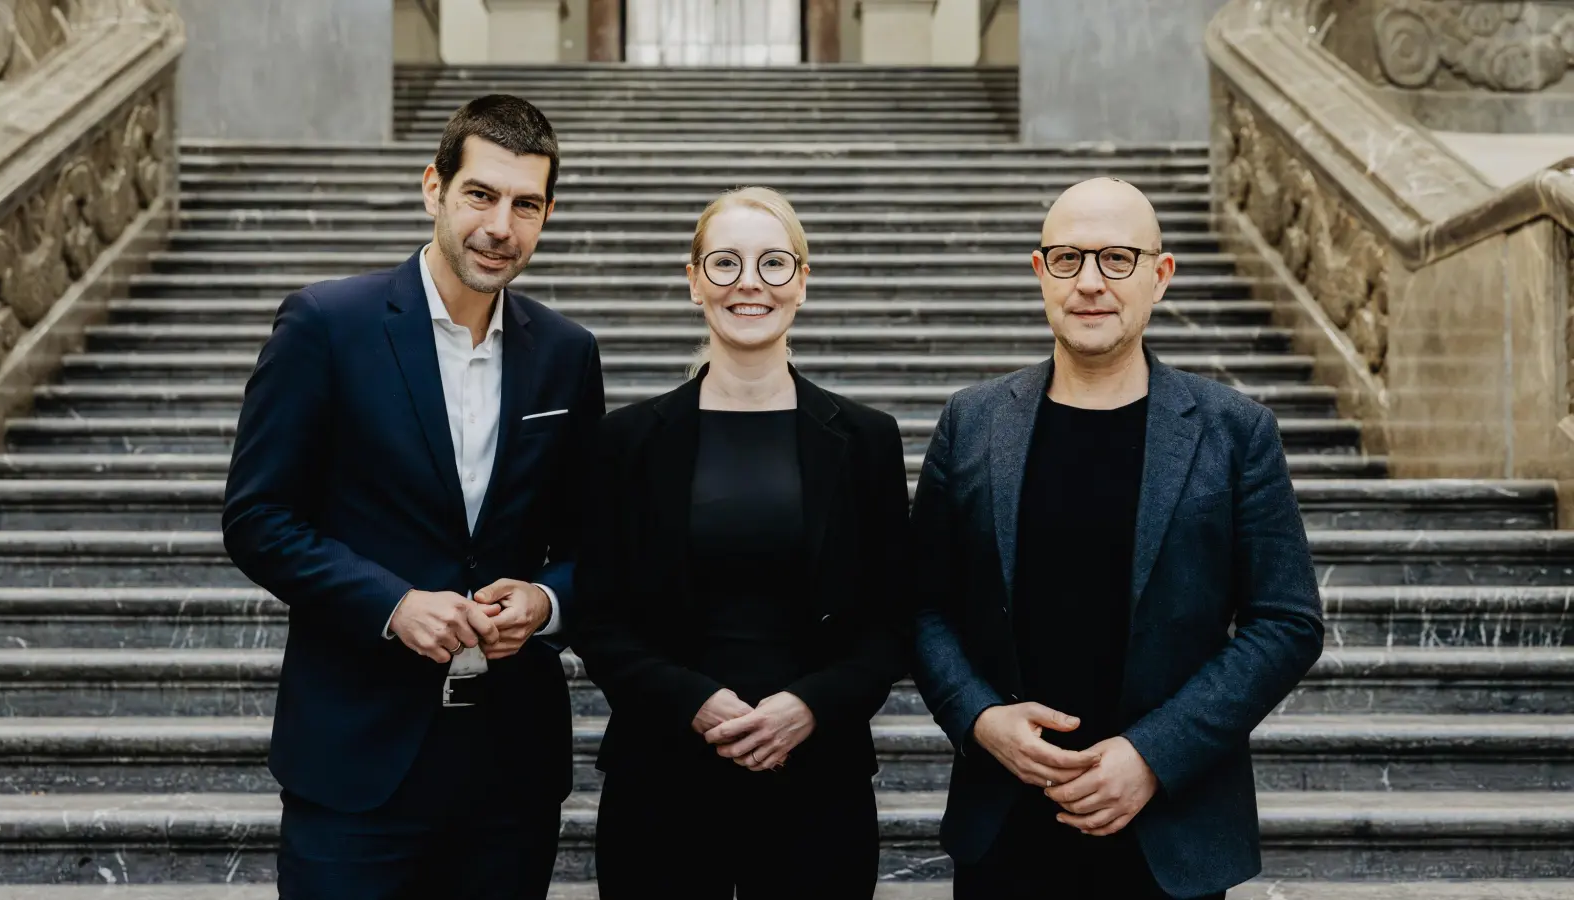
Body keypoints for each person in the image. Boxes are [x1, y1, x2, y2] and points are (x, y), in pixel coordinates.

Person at [221, 95, 604, 899]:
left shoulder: (568, 354)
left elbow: (592, 543)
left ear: (546, 215)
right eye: (481, 195)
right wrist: (393, 604)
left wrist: (545, 599)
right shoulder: (326, 324)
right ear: (434, 187)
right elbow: (258, 518)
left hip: (509, 771)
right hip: (356, 763)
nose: (501, 226)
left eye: (525, 205)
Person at [910, 177, 1325, 900]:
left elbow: (1286, 622)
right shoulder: (972, 424)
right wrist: (981, 720)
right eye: (1068, 259)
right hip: (1006, 826)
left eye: (1118, 259)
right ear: (1040, 274)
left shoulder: (1235, 431)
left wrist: (1152, 755)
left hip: (1171, 830)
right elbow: (920, 605)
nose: (1091, 283)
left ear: (1160, 276)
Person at [569, 186, 909, 899]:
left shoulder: (866, 440)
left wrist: (808, 706)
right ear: (694, 281)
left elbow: (891, 620)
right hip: (660, 778)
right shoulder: (626, 442)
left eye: (773, 263)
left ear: (802, 282)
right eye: (724, 263)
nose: (748, 282)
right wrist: (694, 700)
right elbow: (598, 617)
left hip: (820, 782)